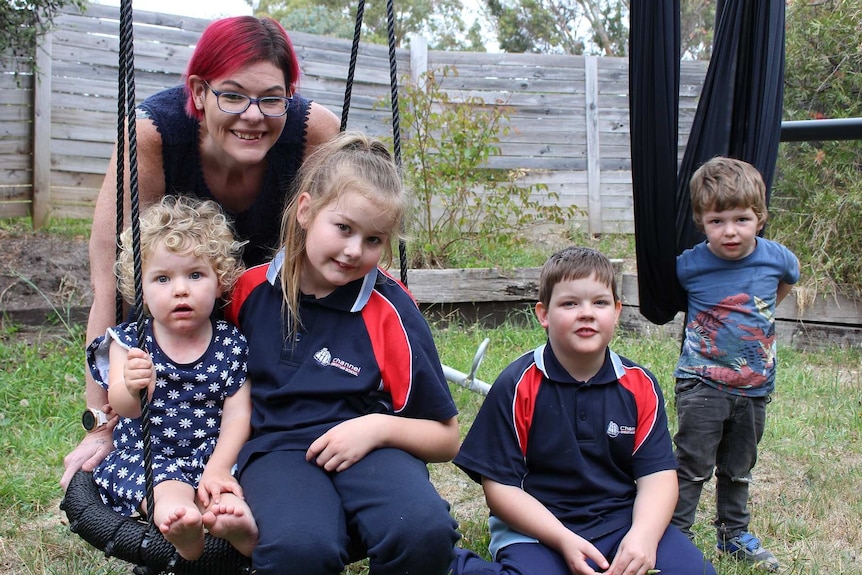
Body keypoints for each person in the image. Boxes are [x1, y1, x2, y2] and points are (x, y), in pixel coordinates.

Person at [61, 15, 340, 491]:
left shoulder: (313, 132)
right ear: (197, 92)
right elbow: (111, 284)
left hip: (272, 312)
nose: (253, 115)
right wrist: (100, 421)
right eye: (232, 95)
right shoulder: (152, 136)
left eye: (272, 99)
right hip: (176, 319)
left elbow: (345, 246)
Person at [223, 131, 460, 574]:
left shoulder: (390, 309)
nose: (355, 251)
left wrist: (374, 428)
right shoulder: (248, 292)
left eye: (374, 240)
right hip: (277, 450)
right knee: (301, 548)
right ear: (306, 210)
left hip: (372, 446)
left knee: (423, 531)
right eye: (344, 228)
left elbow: (446, 437)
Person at [450, 246, 717, 575]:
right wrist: (562, 539)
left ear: (617, 312)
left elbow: (658, 478)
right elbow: (499, 488)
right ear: (543, 314)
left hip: (621, 522)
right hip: (537, 530)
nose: (587, 313)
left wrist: (644, 537)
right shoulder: (517, 384)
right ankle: (454, 565)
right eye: (570, 303)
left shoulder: (640, 385)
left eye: (600, 302)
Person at [85, 196, 257, 561]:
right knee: (165, 491)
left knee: (229, 490)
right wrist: (133, 386)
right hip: (149, 454)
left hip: (213, 453)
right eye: (162, 278)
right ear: (141, 289)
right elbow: (124, 407)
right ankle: (183, 528)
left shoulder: (230, 342)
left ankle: (236, 525)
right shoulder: (130, 341)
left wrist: (219, 467)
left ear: (220, 280)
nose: (181, 289)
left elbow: (238, 415)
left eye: (195, 275)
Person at [671, 157, 800, 572]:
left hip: (755, 385)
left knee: (739, 465)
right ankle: (677, 535)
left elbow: (782, 288)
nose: (730, 231)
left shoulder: (778, 258)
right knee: (692, 464)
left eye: (741, 219)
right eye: (717, 221)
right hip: (702, 383)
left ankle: (734, 533)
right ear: (700, 221)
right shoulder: (689, 264)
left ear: (760, 218)